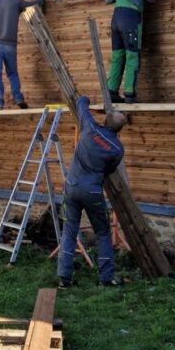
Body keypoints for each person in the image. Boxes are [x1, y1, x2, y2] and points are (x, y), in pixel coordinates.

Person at [57, 95, 129, 287]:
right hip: (93, 193)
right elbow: (110, 170)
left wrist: (88, 99)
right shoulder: (117, 149)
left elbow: (81, 104)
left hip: (71, 187)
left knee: (69, 231)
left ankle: (64, 278)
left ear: (104, 120)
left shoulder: (89, 128)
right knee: (103, 232)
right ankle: (106, 278)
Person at [105, 0, 173, 103]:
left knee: (117, 57)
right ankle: (130, 95)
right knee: (132, 57)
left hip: (116, 21)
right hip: (130, 20)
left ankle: (112, 93)